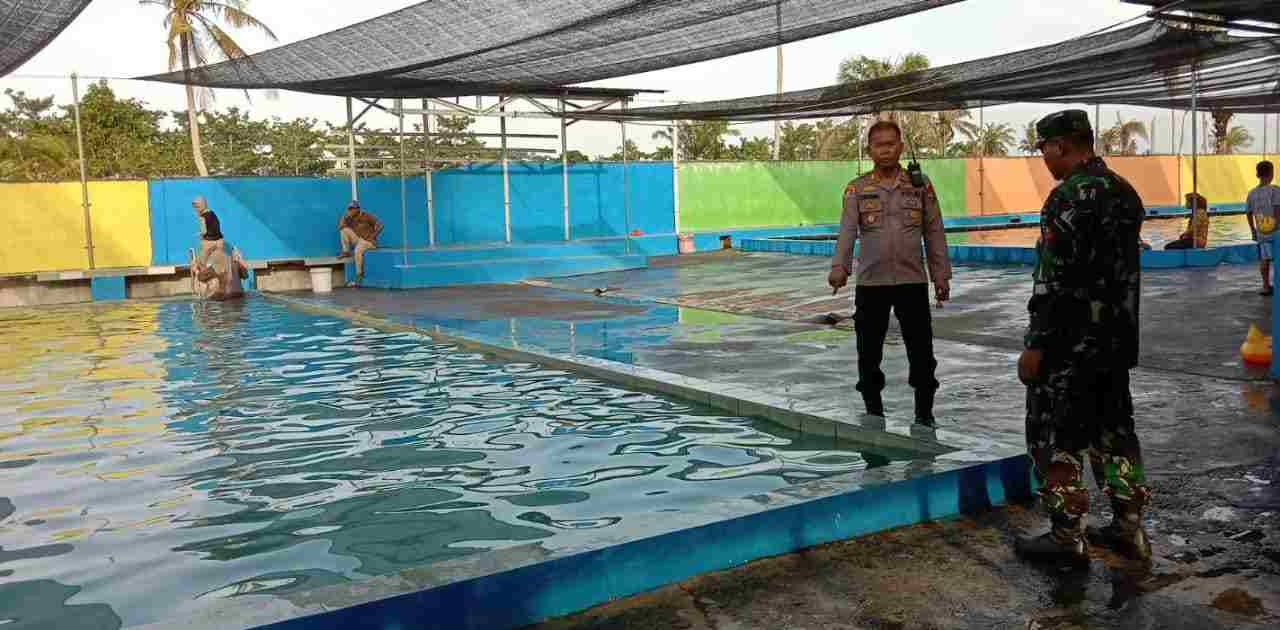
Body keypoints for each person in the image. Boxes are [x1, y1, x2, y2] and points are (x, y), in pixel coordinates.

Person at [1016, 109, 1151, 567]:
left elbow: (1051, 281)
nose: (1043, 159)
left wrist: (1036, 344)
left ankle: (1066, 534)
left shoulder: (1066, 199)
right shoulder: (1124, 193)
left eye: (1044, 149)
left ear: (1062, 146)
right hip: (1115, 344)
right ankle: (1129, 529)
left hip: (1068, 347)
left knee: (1056, 437)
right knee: (1115, 434)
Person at [828, 120, 952, 427]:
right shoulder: (857, 188)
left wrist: (941, 275)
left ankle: (924, 414)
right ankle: (873, 411)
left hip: (912, 282)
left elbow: (934, 231)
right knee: (868, 352)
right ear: (869, 150)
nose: (885, 150)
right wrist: (839, 268)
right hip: (872, 283)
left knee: (922, 352)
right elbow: (847, 232)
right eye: (878, 144)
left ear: (901, 147)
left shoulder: (920, 185)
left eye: (891, 144)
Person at [1246, 160, 1280, 296]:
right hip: (1277, 230)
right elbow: (1278, 210)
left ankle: (1266, 286)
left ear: (1257, 174)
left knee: (1265, 259)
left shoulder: (1251, 193)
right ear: (1271, 173)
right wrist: (1276, 226)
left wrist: (1253, 230)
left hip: (1262, 232)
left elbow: (1248, 213)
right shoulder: (1275, 190)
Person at [337, 200, 383, 287]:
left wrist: (373, 236)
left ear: (358, 209)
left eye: (352, 208)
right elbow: (341, 226)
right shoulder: (350, 217)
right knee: (344, 230)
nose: (350, 210)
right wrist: (344, 216)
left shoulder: (366, 215)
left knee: (357, 250)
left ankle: (359, 274)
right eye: (349, 209)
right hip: (359, 240)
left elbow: (381, 225)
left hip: (369, 242)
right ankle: (346, 251)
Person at [193, 196, 224, 268]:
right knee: (218, 265)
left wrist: (199, 234)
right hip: (219, 241)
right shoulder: (212, 213)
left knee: (201, 264)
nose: (195, 209)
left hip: (208, 243)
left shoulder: (202, 217)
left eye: (196, 207)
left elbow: (204, 231)